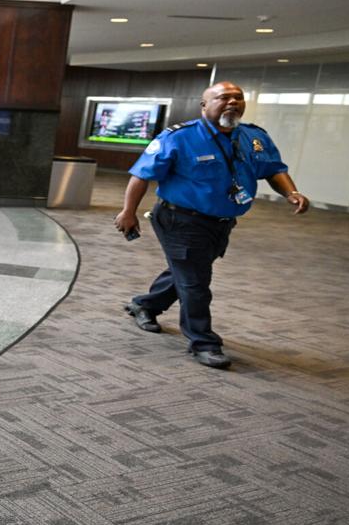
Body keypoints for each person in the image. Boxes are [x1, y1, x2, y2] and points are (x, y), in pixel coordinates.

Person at [114, 81, 309, 369]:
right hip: (180, 218)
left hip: (221, 222)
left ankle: (146, 304)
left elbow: (274, 170)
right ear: (205, 105)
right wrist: (128, 211)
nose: (232, 102)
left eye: (238, 98)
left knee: (189, 270)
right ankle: (203, 342)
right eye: (223, 97)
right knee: (195, 282)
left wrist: (291, 192)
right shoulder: (179, 137)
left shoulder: (254, 137)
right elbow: (141, 175)